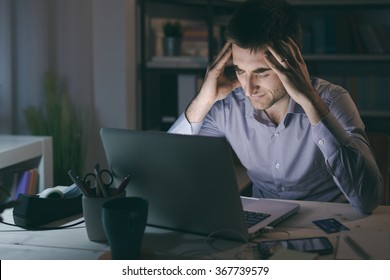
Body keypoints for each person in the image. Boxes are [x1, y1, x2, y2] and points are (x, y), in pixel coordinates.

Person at [168, 0, 382, 214]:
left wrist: (310, 100)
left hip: (328, 222)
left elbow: (367, 200)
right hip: (262, 225)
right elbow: (168, 165)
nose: (248, 89)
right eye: (240, 71)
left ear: (293, 60)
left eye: (262, 72)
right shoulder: (228, 105)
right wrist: (203, 100)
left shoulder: (331, 100)